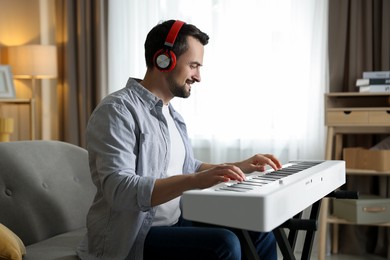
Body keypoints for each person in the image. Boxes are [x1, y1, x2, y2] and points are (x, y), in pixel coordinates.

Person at [77, 19, 283, 260]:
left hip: (175, 221)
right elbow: (120, 189)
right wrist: (194, 180)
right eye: (193, 65)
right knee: (224, 245)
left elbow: (187, 167)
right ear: (163, 59)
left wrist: (240, 166)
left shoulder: (172, 115)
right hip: (134, 236)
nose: (198, 77)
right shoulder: (117, 111)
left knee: (259, 231)